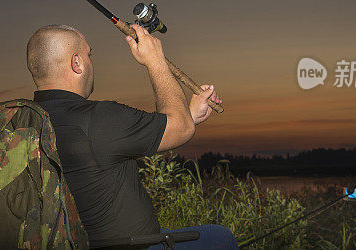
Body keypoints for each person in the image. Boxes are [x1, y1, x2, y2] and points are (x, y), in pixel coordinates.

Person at [26, 24, 237, 249]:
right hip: (137, 245)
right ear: (76, 63)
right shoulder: (98, 118)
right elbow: (180, 130)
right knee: (220, 237)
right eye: (89, 55)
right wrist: (155, 60)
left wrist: (188, 116)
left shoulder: (27, 122)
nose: (90, 62)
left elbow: (141, 137)